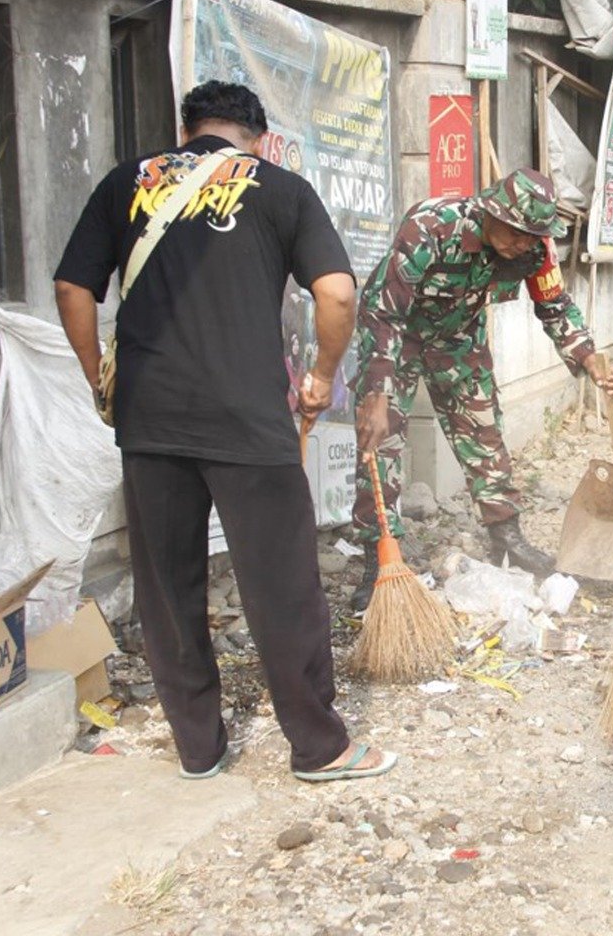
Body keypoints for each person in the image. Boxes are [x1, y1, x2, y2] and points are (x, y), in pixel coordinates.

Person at [54, 81, 393, 783]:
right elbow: (336, 292)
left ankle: (198, 749)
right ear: (261, 138)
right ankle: (317, 746)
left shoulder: (127, 183)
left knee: (167, 587)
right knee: (281, 582)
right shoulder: (281, 187)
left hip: (150, 419)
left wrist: (98, 376)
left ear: (186, 131)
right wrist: (324, 374)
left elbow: (72, 288)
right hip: (247, 416)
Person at [349, 168, 613, 611]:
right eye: (517, 232)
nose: (524, 244)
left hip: (458, 340)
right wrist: (376, 392)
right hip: (398, 338)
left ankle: (508, 539)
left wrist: (588, 357)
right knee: (380, 444)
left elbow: (555, 306)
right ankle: (377, 557)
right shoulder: (432, 227)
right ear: (492, 212)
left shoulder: (535, 251)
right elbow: (383, 312)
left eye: (535, 235)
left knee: (485, 435)